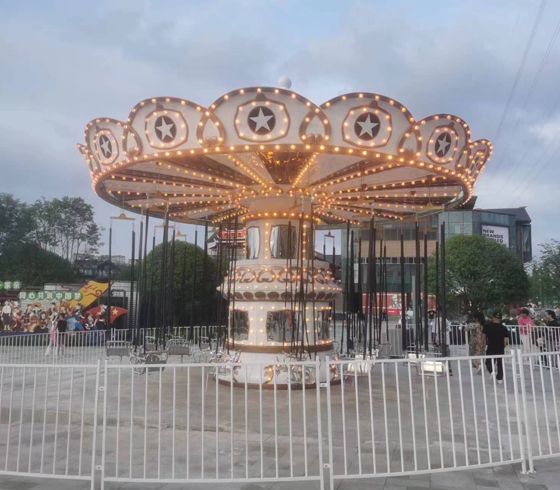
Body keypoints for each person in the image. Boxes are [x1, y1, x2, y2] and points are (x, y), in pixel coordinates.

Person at [483, 311, 510, 384]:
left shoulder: (487, 326)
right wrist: (504, 346)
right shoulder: (503, 328)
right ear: (500, 319)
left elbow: (484, 337)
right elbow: (506, 340)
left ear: (493, 317)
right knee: (500, 362)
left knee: (489, 361)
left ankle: (492, 372)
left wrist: (484, 344)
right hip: (500, 347)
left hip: (491, 346)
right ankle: (500, 378)